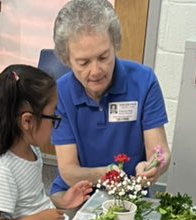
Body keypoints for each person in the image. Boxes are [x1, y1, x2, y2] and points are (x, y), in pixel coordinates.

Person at [49, 0, 171, 197]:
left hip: (130, 192)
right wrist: (107, 174)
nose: (96, 71)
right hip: (76, 192)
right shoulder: (60, 93)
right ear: (67, 59)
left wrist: (154, 165)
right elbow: (69, 171)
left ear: (115, 45)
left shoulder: (144, 81)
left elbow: (161, 152)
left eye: (104, 57)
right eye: (83, 62)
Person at [0, 64, 93, 220]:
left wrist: (61, 201)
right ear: (28, 121)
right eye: (53, 116)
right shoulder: (4, 169)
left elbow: (28, 201)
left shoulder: (31, 151)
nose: (56, 123)